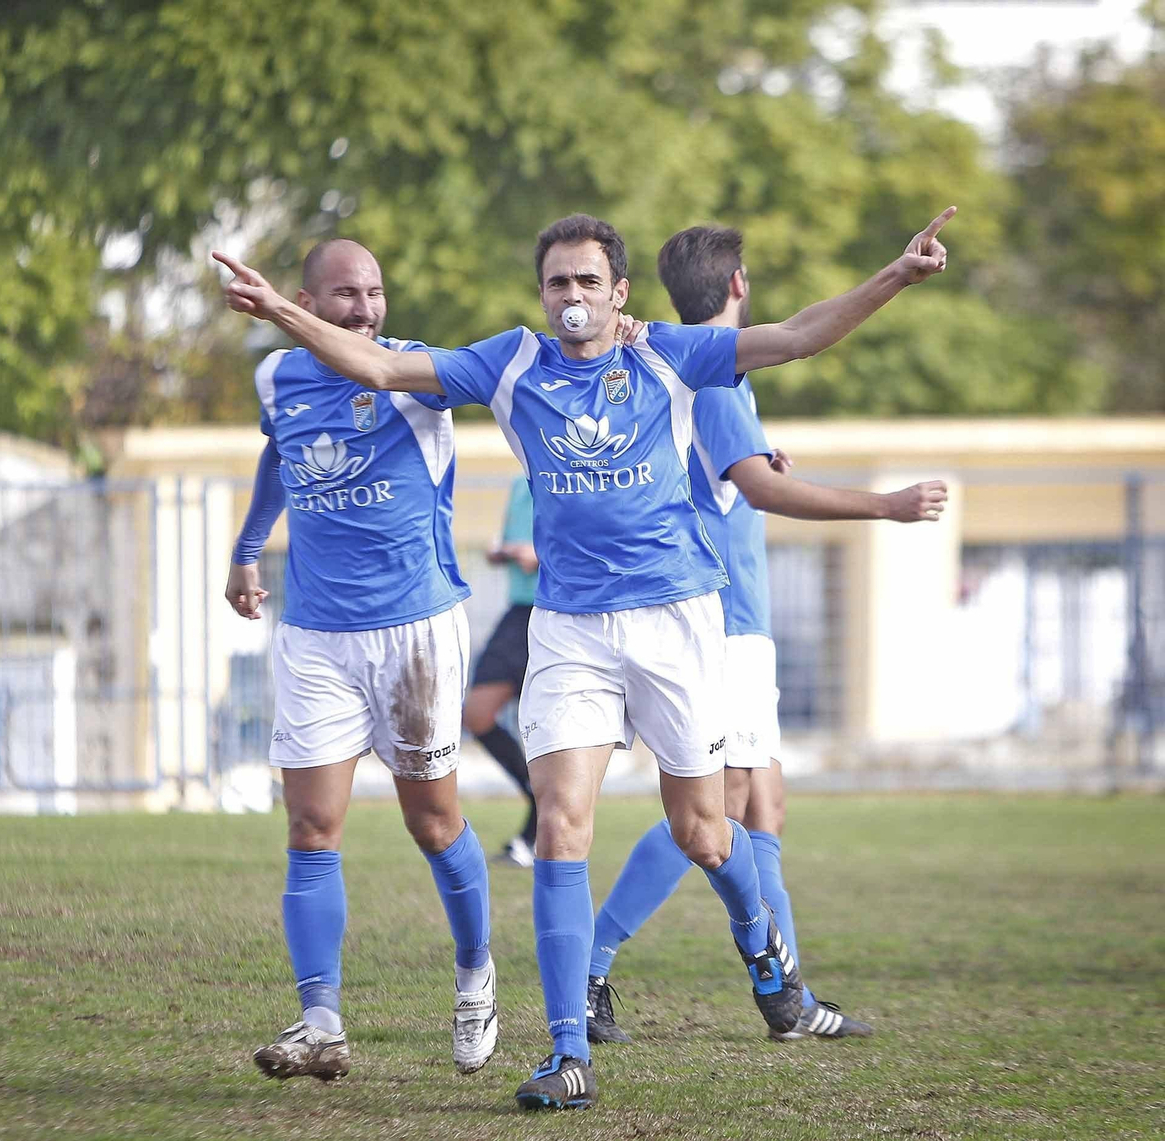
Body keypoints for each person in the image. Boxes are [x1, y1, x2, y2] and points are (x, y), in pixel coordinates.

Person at [213, 203, 953, 1110]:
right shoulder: (509, 362)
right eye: (558, 281)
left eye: (588, 282)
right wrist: (279, 312)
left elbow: (798, 335)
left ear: (620, 292)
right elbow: (375, 361)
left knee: (704, 832)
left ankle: (764, 948)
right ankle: (569, 1052)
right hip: (569, 629)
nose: (572, 296)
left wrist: (897, 275)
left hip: (678, 622)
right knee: (562, 823)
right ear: (542, 292)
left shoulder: (669, 353)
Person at [585, 225, 948, 1048]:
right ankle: (606, 964)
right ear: (740, 282)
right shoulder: (712, 380)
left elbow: (737, 466)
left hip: (738, 623)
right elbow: (756, 484)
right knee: (715, 813)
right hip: (720, 624)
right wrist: (882, 506)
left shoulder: (714, 379)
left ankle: (786, 989)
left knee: (759, 806)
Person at [223, 238, 498, 1083]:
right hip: (315, 633)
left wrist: (279, 311)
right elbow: (280, 450)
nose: (365, 308)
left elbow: (372, 369)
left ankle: (476, 972)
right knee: (310, 826)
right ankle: (321, 1023)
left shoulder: (417, 367)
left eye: (375, 291)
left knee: (432, 823)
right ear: (313, 294)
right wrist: (245, 546)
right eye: (346, 294)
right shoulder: (276, 377)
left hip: (414, 629)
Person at [464, 475, 541, 868]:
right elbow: (511, 543)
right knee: (476, 713)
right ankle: (538, 796)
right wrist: (503, 551)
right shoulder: (517, 483)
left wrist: (539, 553)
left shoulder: (578, 468)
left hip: (557, 612)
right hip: (518, 613)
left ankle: (536, 833)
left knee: (549, 729)